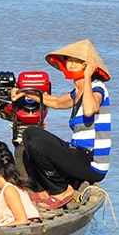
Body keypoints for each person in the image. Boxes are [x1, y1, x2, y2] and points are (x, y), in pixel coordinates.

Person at [11, 39, 111, 210]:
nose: (71, 64)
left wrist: (87, 77)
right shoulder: (77, 92)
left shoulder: (96, 88)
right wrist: (25, 93)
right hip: (76, 153)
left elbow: (90, 109)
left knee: (37, 143)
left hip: (92, 162)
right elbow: (56, 102)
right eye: (69, 60)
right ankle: (47, 189)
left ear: (89, 66)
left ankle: (62, 190)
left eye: (79, 62)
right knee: (31, 134)